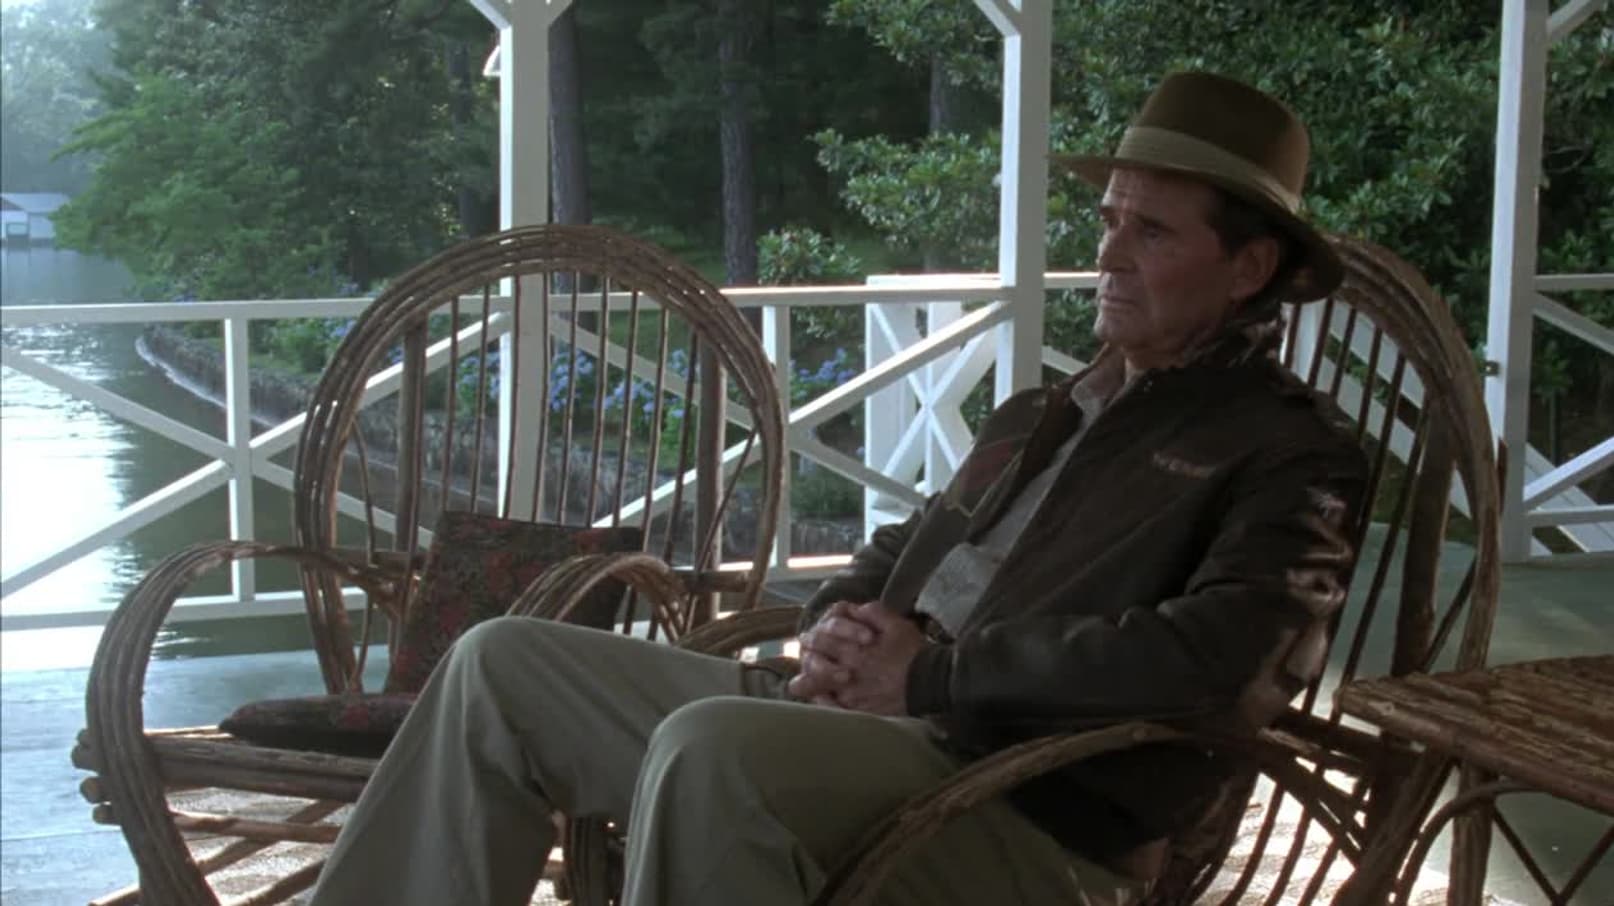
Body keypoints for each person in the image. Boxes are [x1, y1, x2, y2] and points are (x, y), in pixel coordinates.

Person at [309, 71, 1368, 906]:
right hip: (865, 728)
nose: (1109, 255)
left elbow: (1224, 664)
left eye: (1153, 231)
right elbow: (914, 544)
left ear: (1248, 269)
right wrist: (836, 627)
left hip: (1023, 802)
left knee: (713, 752)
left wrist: (936, 677)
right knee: (499, 666)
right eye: (1109, 220)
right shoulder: (1045, 411)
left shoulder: (1287, 452)